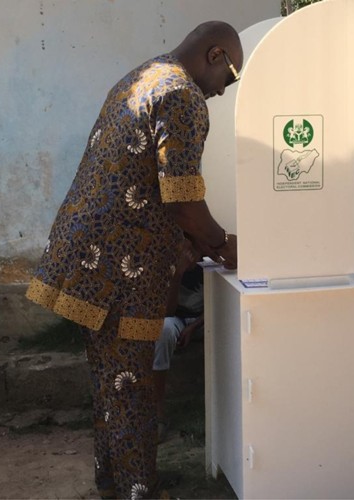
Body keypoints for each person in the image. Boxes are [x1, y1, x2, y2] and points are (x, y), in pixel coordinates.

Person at [25, 20, 242, 500]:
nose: (225, 92)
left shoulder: (143, 76)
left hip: (86, 262)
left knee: (112, 387)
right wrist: (223, 243)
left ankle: (113, 486)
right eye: (231, 77)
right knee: (133, 388)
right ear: (214, 55)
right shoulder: (182, 95)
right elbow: (182, 199)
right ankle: (139, 493)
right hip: (121, 273)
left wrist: (196, 244)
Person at [153, 242, 204, 443]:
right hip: (178, 320)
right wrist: (177, 275)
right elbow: (168, 312)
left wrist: (194, 327)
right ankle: (158, 412)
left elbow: (221, 304)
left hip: (204, 320)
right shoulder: (165, 266)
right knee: (162, 330)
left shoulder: (209, 264)